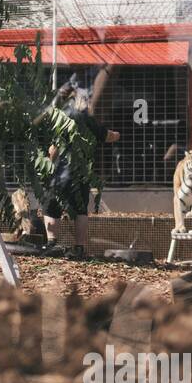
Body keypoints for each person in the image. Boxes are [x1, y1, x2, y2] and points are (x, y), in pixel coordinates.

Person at [41, 81, 120, 259]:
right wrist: (119, 134)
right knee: (80, 208)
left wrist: (50, 165)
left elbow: (52, 150)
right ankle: (79, 248)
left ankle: (52, 243)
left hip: (59, 172)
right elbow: (107, 136)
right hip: (81, 171)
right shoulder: (86, 118)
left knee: (51, 206)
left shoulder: (58, 117)